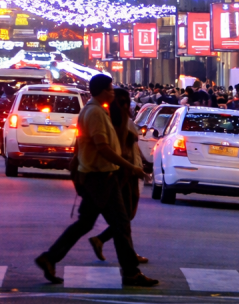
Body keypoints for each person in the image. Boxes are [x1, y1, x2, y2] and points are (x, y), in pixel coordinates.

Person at [35, 74, 157, 288]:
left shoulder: (99, 111)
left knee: (86, 223)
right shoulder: (95, 113)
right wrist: (131, 167)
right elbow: (103, 148)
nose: (113, 92)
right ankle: (130, 273)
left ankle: (50, 257)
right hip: (101, 178)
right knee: (120, 224)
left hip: (99, 177)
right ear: (102, 90)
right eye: (110, 89)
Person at [89, 88, 149, 265]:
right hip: (123, 172)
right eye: (120, 101)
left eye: (126, 101)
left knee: (125, 216)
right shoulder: (113, 121)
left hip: (131, 171)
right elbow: (118, 150)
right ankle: (126, 257)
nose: (124, 105)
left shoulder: (125, 119)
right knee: (123, 217)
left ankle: (102, 241)